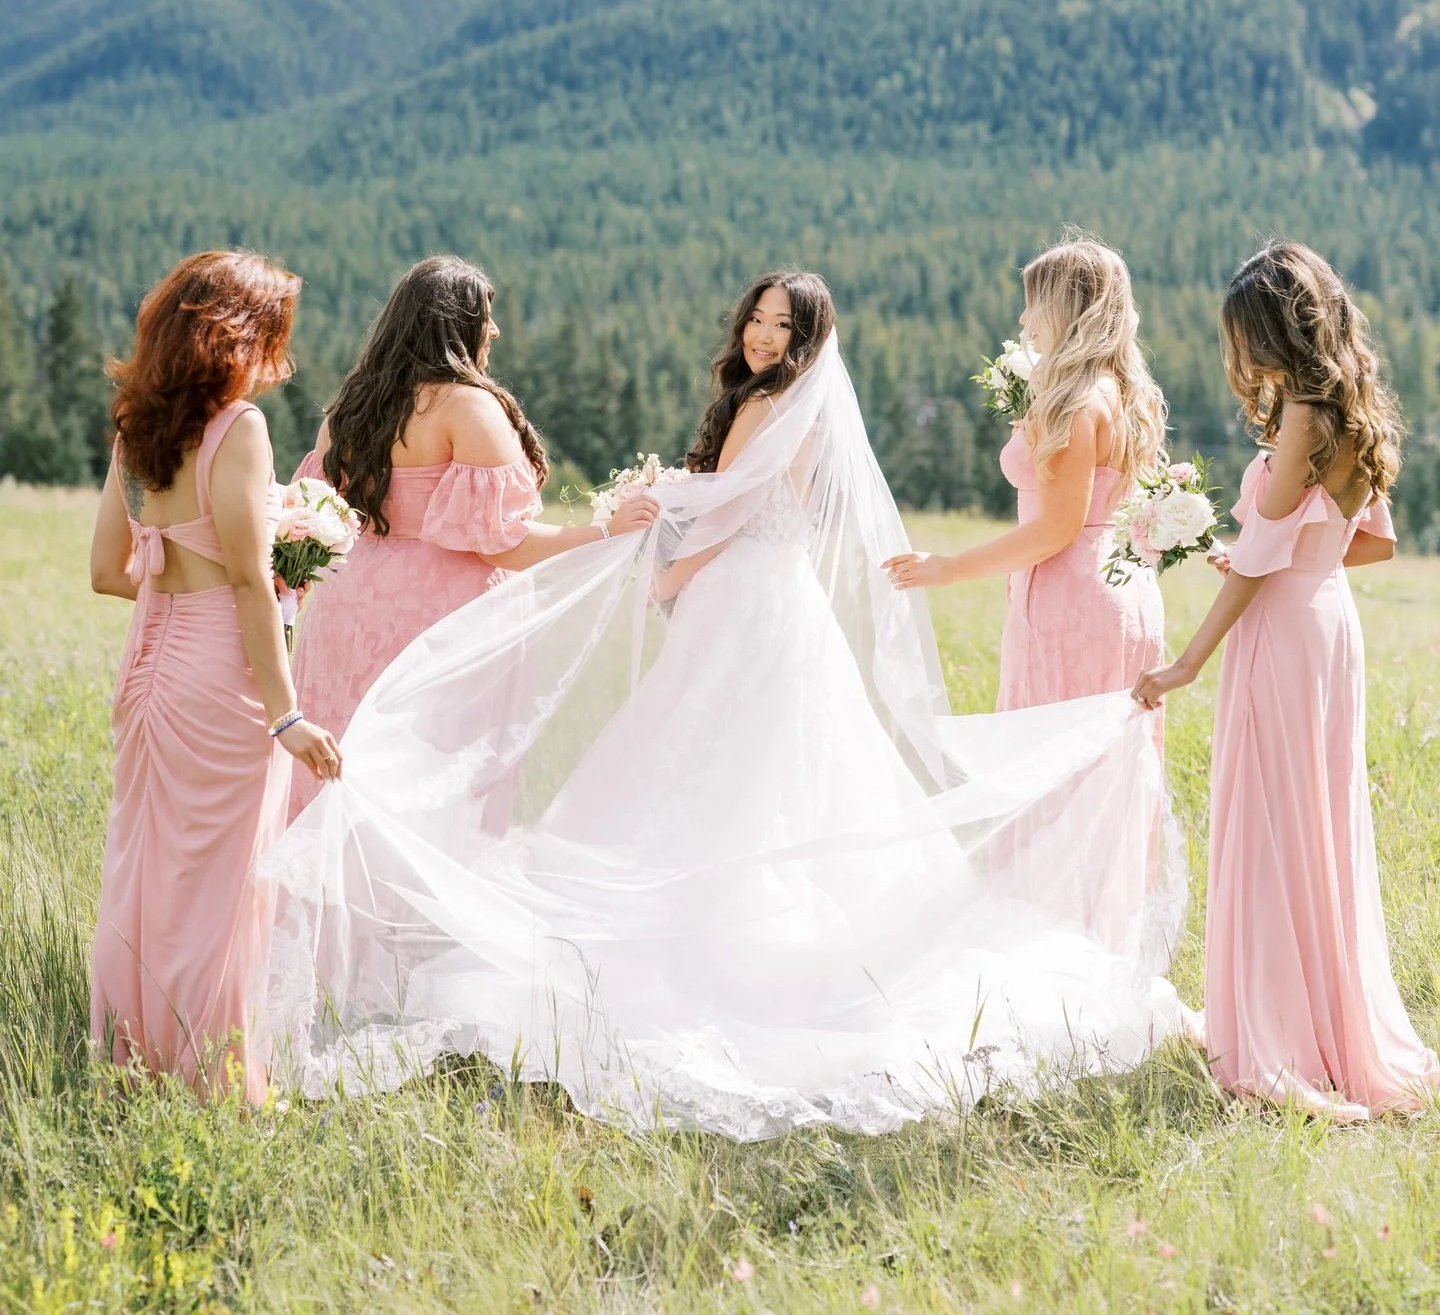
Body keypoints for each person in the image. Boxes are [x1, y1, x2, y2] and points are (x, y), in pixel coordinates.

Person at [262, 270, 1185, 1137]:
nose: (762, 335)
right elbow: (740, 500)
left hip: (743, 597)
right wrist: (665, 512)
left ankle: (726, 938)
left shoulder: (762, 406)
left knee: (706, 760)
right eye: (757, 318)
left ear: (806, 339)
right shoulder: (786, 404)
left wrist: (671, 563)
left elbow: (736, 507)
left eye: (782, 325)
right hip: (776, 600)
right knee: (764, 767)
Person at [1133, 242, 1438, 1119]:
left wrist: (1187, 661)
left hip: (1282, 634)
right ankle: (1324, 1024)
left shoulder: (1303, 415)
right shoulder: (1352, 408)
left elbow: (1264, 556)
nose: (1240, 353)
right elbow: (1370, 543)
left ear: (1273, 329)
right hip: (1328, 621)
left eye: (1245, 334)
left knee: (1271, 822)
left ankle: (1277, 1037)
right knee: (1317, 822)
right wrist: (1285, 553)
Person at [88, 250, 340, 1101]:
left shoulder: (133, 432)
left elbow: (107, 571)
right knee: (226, 887)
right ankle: (220, 1082)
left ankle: (132, 1066)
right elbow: (247, 582)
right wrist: (286, 714)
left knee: (145, 873)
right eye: (273, 336)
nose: (279, 358)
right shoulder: (239, 429)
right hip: (217, 677)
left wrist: (174, 576)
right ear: (236, 338)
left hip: (147, 671)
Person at [286, 255, 658, 819]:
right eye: (486, 315)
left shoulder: (348, 408)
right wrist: (606, 530)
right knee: (433, 789)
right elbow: (500, 543)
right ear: (456, 323)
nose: (496, 329)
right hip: (438, 621)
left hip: (346, 608)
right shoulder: (465, 406)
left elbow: (320, 517)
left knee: (344, 767)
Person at [885, 238, 1168, 715]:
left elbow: (1057, 527)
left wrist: (950, 568)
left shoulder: (1074, 402)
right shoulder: (1124, 393)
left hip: (1070, 600)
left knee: (1051, 748)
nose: (1023, 319)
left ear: (1066, 308)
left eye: (1033, 304)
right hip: (1126, 588)